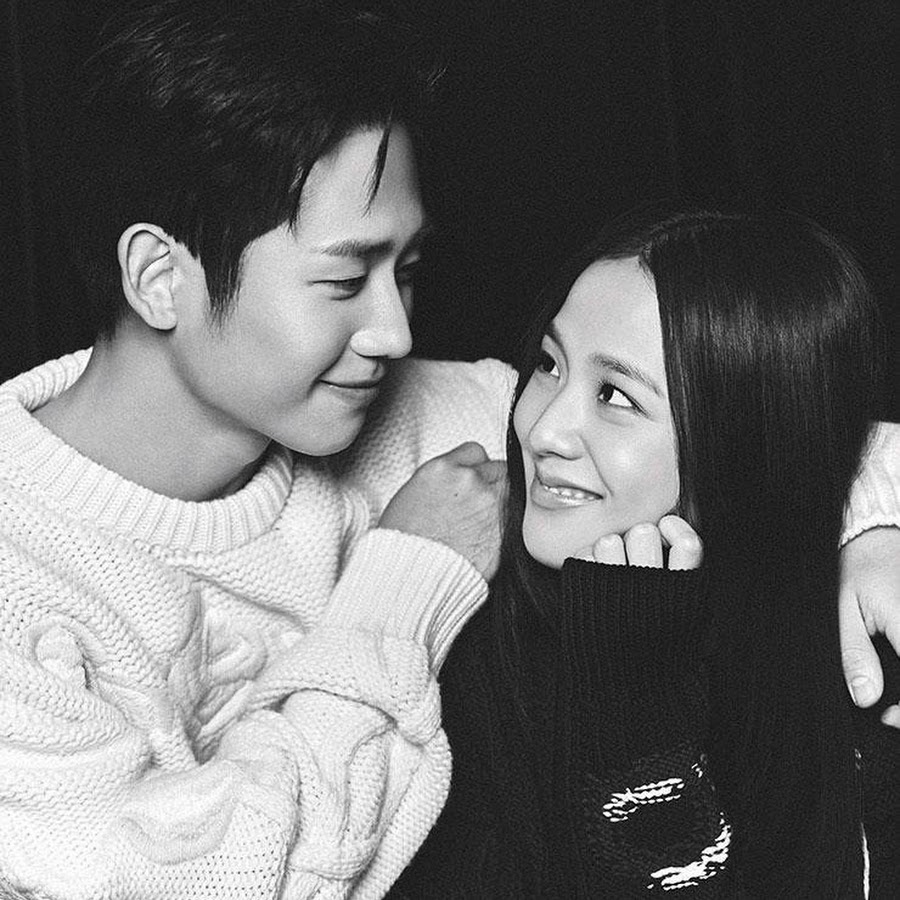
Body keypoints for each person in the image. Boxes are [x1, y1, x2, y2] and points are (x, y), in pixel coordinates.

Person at [0, 1, 897, 896]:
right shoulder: (19, 589)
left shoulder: (410, 416)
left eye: (408, 271)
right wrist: (403, 588)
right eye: (344, 279)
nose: (394, 332)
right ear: (160, 277)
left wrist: (873, 529)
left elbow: (732, 414)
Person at [390, 207, 900, 898]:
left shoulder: (856, 659)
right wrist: (630, 704)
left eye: (615, 396)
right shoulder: (480, 649)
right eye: (548, 364)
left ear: (739, 440)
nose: (544, 430)